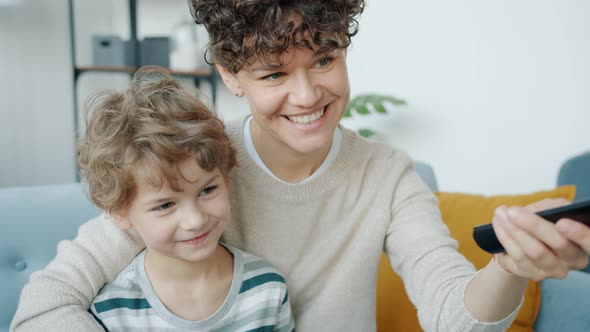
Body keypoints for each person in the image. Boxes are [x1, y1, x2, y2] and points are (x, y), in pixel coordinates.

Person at [11, 1, 590, 331]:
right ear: (231, 78)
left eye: (324, 60)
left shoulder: (386, 174)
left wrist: (514, 264)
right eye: (273, 74)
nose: (309, 94)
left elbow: (451, 314)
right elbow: (44, 306)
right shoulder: (195, 169)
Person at [74, 67, 294, 331]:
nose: (195, 220)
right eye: (165, 205)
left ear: (226, 179)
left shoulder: (267, 288)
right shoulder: (111, 312)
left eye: (207, 190)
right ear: (120, 213)